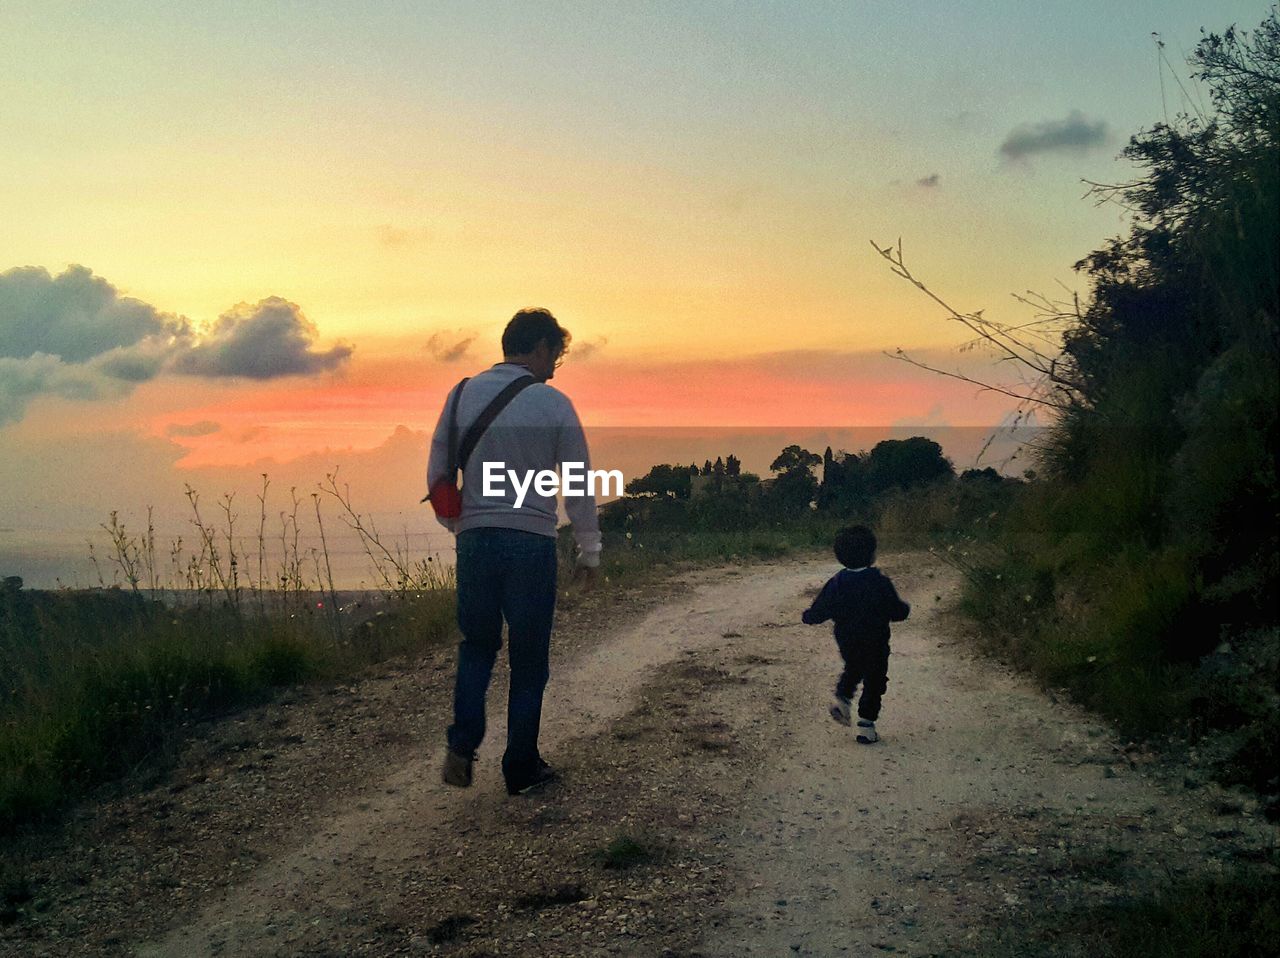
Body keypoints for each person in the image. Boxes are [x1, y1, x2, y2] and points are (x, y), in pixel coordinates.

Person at [427, 308, 601, 795]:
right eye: (556, 357)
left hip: (476, 539)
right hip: (531, 543)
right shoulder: (554, 404)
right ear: (540, 347)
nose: (554, 368)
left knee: (477, 646)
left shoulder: (461, 394)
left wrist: (459, 524)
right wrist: (590, 550)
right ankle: (520, 767)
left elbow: (438, 470)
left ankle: (462, 744)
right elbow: (580, 485)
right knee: (528, 660)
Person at [801, 525, 909, 744]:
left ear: (839, 556)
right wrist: (903, 611)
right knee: (875, 679)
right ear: (872, 554)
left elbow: (821, 608)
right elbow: (896, 610)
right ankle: (866, 725)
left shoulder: (837, 583)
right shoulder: (879, 582)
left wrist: (809, 616)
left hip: (847, 638)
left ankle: (842, 697)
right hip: (876, 639)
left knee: (853, 667)